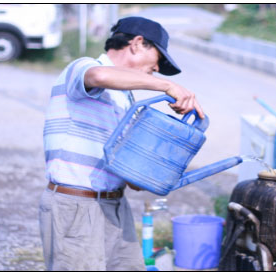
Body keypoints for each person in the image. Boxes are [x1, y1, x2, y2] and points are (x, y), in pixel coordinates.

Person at [39, 16, 204, 271]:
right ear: (138, 43)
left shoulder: (125, 97)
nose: (158, 69)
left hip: (114, 205)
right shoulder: (84, 67)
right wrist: (167, 86)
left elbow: (129, 175)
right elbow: (99, 76)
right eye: (159, 60)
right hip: (76, 204)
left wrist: (159, 169)